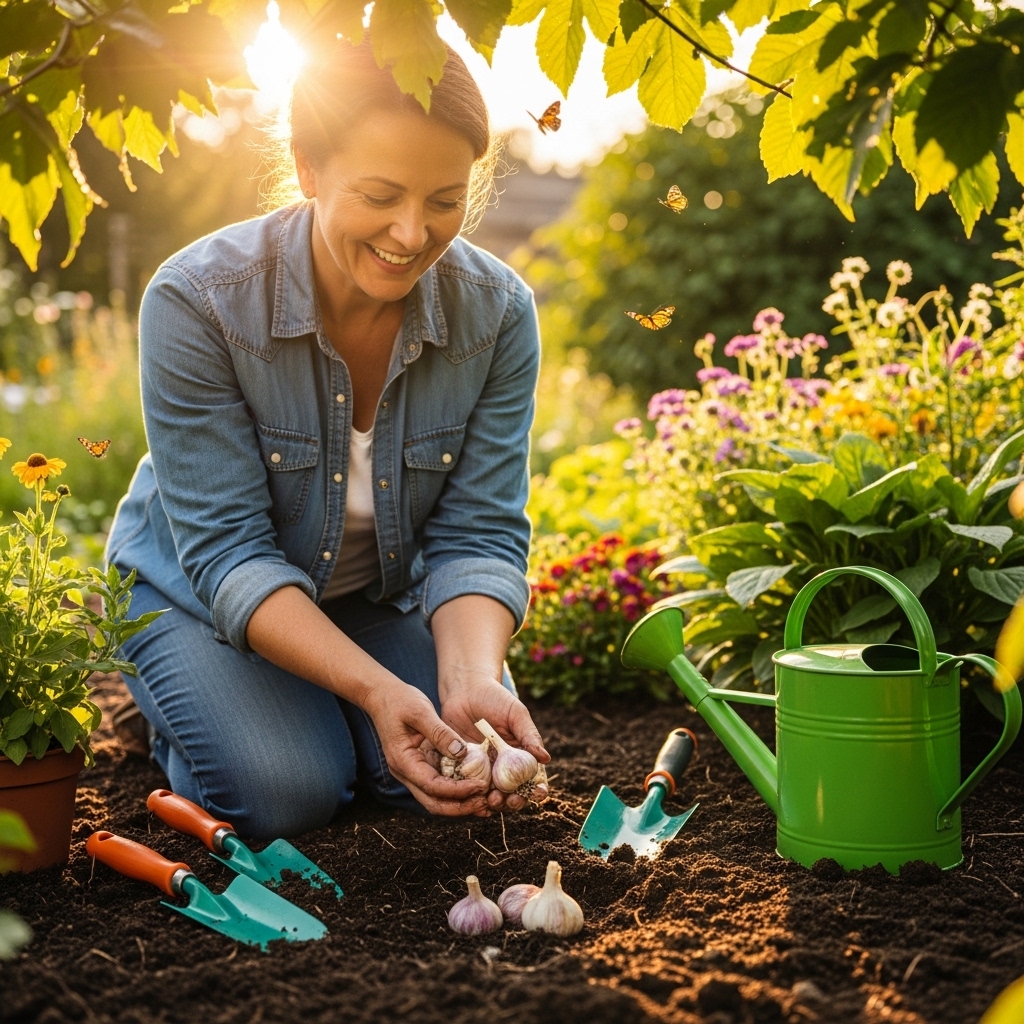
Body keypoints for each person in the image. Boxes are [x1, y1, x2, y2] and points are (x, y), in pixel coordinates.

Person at [105, 39, 549, 839]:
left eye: (445, 201)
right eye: (380, 195)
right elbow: (228, 553)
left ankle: (317, 704)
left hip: (367, 599)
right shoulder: (199, 300)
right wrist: (378, 691)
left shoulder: (499, 315)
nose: (411, 233)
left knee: (456, 762)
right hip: (194, 597)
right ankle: (179, 703)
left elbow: (479, 533)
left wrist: (469, 676)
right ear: (308, 168)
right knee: (292, 792)